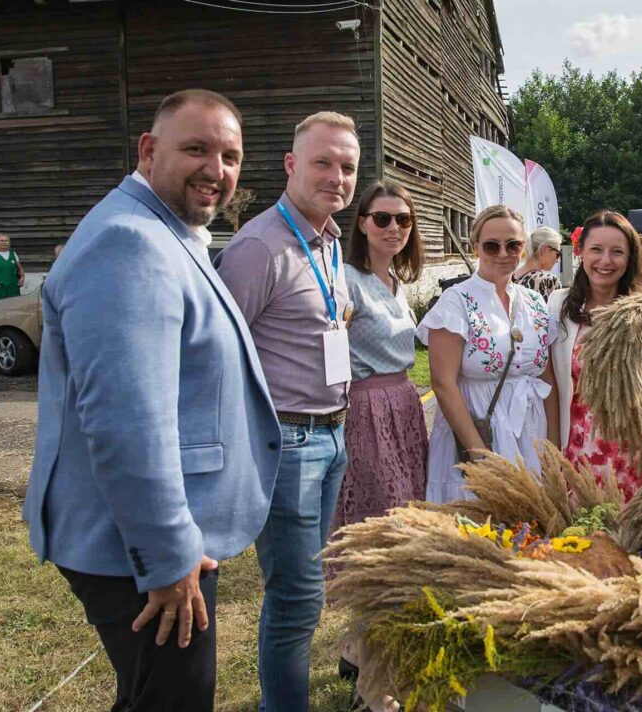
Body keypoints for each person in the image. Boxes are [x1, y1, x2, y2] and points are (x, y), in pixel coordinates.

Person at [22, 89, 280, 711]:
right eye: (196, 149)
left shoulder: (169, 231)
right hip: (144, 551)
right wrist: (166, 557)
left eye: (230, 155)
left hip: (165, 542)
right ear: (149, 149)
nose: (215, 170)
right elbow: (126, 421)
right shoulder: (128, 242)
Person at [215, 110, 359, 711]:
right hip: (290, 444)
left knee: (308, 592)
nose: (337, 177)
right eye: (323, 162)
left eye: (348, 166)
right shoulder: (258, 246)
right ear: (292, 165)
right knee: (296, 599)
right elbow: (217, 360)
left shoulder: (327, 241)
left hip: (333, 438)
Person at [417, 205, 557, 504]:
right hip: (479, 428)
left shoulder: (534, 301)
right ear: (475, 246)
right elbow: (443, 383)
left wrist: (554, 446)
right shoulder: (456, 302)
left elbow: (546, 376)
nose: (503, 253)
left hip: (531, 429)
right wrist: (480, 457)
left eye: (513, 245)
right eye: (492, 245)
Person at [333, 181, 428, 529]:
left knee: (409, 501)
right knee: (378, 506)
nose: (394, 228)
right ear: (362, 223)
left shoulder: (397, 282)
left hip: (405, 405)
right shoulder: (347, 279)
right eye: (383, 219)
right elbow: (329, 345)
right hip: (366, 409)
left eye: (403, 220)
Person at [549, 210, 642, 501]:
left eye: (617, 252)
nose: (605, 261)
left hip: (636, 452)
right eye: (596, 249)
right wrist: (551, 450)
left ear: (630, 257)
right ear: (581, 252)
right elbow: (548, 383)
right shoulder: (558, 304)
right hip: (576, 448)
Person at [512, 225, 562, 299]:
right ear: (544, 249)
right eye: (557, 254)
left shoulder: (510, 278)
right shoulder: (549, 281)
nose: (558, 260)